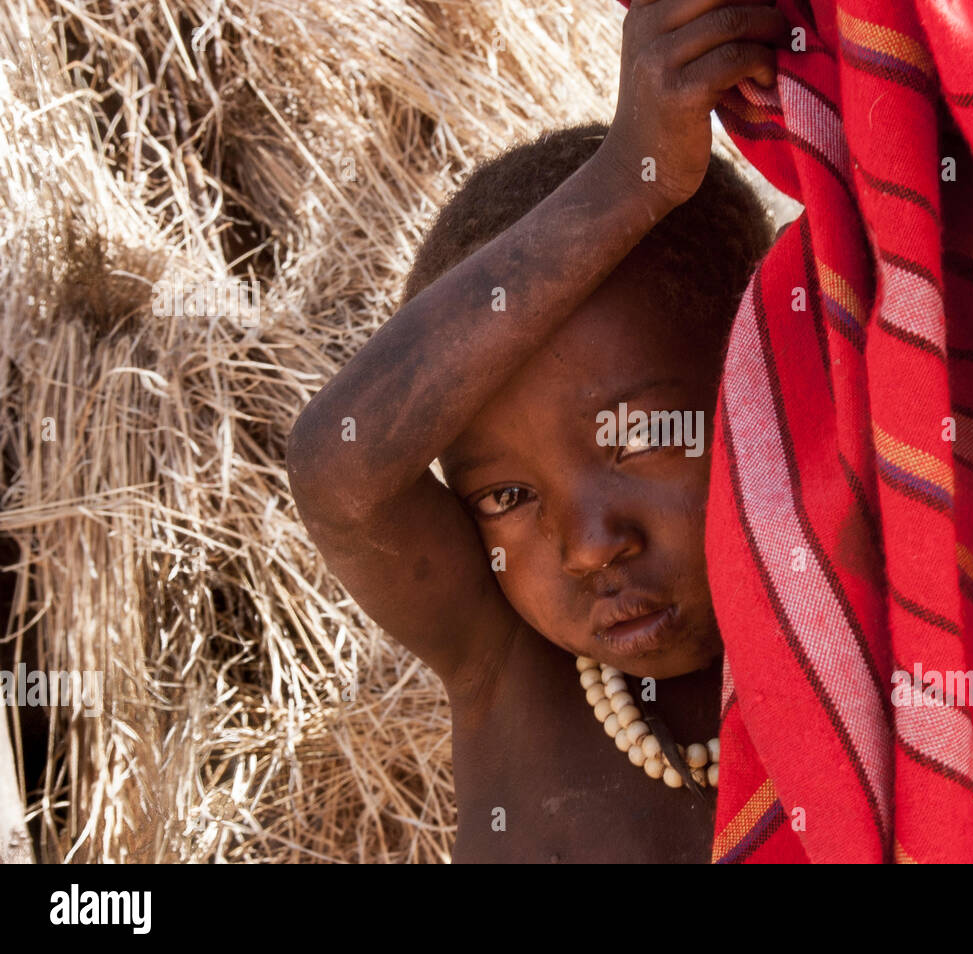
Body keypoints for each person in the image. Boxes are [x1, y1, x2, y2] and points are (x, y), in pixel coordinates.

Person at [286, 0, 787, 862]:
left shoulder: (847, 646)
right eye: (506, 497)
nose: (590, 547)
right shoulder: (505, 663)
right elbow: (340, 471)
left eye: (635, 438)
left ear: (761, 389)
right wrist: (632, 179)